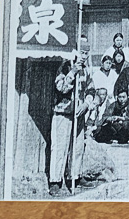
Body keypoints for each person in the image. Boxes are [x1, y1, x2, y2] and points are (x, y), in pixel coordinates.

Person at [48, 49, 92, 192]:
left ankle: (74, 176)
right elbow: (61, 88)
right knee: (60, 147)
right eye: (82, 53)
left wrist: (86, 103)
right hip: (63, 112)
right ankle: (55, 180)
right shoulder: (65, 66)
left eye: (86, 53)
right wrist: (72, 72)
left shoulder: (86, 70)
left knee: (78, 147)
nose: (84, 56)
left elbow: (92, 89)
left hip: (78, 113)